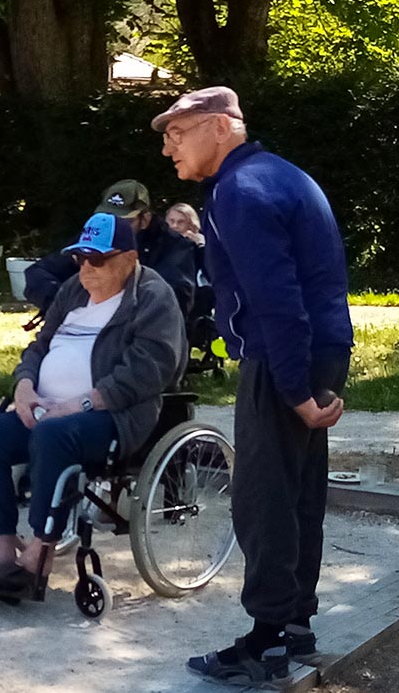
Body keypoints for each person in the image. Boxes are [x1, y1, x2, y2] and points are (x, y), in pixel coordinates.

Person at [153, 87, 353, 685]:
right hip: (318, 348)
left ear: (218, 127)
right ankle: (294, 625)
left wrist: (292, 391)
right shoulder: (279, 175)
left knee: (263, 498)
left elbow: (277, 300)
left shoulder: (239, 192)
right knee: (297, 495)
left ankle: (266, 642)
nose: (168, 149)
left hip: (283, 355)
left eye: (177, 133)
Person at [0, 213, 186, 597]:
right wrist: (24, 387)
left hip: (112, 416)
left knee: (52, 435)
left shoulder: (152, 297)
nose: (86, 268)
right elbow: (39, 345)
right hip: (46, 409)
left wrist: (80, 403)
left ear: (128, 258)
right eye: (80, 258)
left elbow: (148, 371)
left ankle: (39, 555)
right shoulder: (72, 291)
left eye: (97, 259)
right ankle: (1, 554)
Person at [23, 179, 197, 317]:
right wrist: (68, 305)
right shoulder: (97, 235)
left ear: (145, 219)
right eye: (107, 218)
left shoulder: (175, 246)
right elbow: (37, 273)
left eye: (124, 221)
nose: (114, 227)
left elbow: (174, 301)